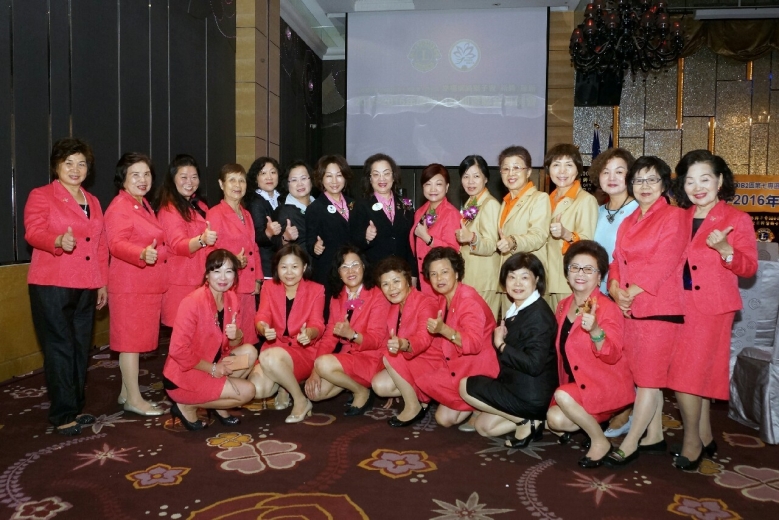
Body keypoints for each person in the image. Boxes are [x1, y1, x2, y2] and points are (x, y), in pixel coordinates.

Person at [667, 150, 757, 470]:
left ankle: (692, 441)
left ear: (720, 181)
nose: (697, 187)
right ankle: (705, 435)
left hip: (711, 308)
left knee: (685, 377)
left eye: (705, 179)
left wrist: (726, 250)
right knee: (695, 373)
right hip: (678, 304)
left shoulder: (737, 219)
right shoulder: (678, 217)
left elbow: (749, 268)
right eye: (690, 181)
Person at [605, 156, 687, 468]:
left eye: (652, 179)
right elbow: (616, 260)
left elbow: (664, 262)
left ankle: (630, 443)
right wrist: (615, 289)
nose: (645, 186)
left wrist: (630, 292)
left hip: (659, 308)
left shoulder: (674, 217)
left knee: (650, 380)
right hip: (630, 308)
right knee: (641, 377)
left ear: (665, 184)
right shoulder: (629, 220)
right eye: (638, 180)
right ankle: (654, 435)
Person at [25, 138, 108, 435]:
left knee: (80, 347)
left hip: (86, 284)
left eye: (81, 163)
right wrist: (57, 240)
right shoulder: (42, 195)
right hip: (52, 284)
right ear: (56, 166)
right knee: (59, 347)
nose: (75, 169)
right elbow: (33, 232)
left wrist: (102, 283)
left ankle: (75, 406)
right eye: (68, 163)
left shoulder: (93, 200)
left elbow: (100, 245)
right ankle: (63, 414)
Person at [546, 241, 634, 468]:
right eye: (575, 268)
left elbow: (613, 355)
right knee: (554, 420)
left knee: (562, 396)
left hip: (602, 385)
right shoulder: (563, 306)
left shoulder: (607, 308)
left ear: (599, 276)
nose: (580, 274)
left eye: (588, 269)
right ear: (567, 274)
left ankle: (600, 441)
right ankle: (595, 423)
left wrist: (595, 331)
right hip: (576, 385)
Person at [460, 253, 557, 447]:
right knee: (484, 427)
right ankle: (535, 422)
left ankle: (525, 421)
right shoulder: (519, 308)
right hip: (516, 384)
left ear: (537, 280)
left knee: (465, 386)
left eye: (524, 277)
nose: (517, 283)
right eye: (512, 277)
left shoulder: (538, 315)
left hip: (532, 393)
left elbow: (534, 364)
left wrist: (501, 345)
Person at [162, 249, 259, 430]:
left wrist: (237, 336)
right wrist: (212, 369)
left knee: (250, 353)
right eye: (217, 271)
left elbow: (231, 345)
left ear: (235, 276)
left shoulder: (231, 299)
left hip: (213, 364)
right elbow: (177, 350)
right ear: (207, 274)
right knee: (248, 392)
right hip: (186, 374)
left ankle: (217, 404)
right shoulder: (193, 302)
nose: (223, 277)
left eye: (228, 271)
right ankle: (186, 406)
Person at [104, 152, 167, 416]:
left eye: (147, 174)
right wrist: (141, 254)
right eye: (135, 175)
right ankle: (134, 399)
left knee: (135, 342)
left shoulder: (142, 204)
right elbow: (116, 243)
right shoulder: (120, 206)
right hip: (129, 285)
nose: (143, 180)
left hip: (144, 285)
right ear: (123, 179)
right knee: (129, 344)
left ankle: (125, 391)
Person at [418, 247, 499, 427]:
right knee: (444, 419)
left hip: (479, 367)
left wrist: (444, 330)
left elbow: (474, 344)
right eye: (433, 274)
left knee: (445, 415)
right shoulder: (443, 298)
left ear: (456, 273)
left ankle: (484, 402)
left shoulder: (468, 299)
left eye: (444, 272)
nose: (439, 278)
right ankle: (475, 404)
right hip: (458, 362)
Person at [306, 246, 390, 415]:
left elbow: (376, 340)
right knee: (315, 393)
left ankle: (361, 392)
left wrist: (352, 335)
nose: (350, 271)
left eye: (355, 265)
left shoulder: (377, 295)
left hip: (371, 357)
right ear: (338, 272)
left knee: (324, 364)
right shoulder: (337, 297)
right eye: (344, 267)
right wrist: (314, 371)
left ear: (363, 267)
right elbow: (329, 336)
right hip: (349, 357)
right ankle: (356, 386)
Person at [590, 148, 638, 438]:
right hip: (599, 293)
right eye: (606, 171)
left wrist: (622, 290)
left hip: (627, 294)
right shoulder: (597, 211)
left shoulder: (639, 210)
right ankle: (609, 404)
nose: (612, 177)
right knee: (604, 352)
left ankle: (626, 411)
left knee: (627, 355)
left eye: (619, 171)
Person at [250, 244, 325, 423]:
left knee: (269, 357)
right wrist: (263, 328)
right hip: (276, 347)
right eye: (284, 267)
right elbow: (262, 315)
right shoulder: (269, 286)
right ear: (277, 268)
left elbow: (318, 324)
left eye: (294, 266)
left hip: (302, 351)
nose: (289, 272)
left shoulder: (316, 290)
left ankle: (300, 400)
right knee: (258, 389)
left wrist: (310, 333)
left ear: (304, 267)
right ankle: (284, 385)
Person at [371, 256, 439, 427]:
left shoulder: (426, 303)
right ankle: (417, 395)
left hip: (430, 360)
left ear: (408, 280)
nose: (391, 288)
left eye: (396, 281)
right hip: (408, 360)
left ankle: (413, 406)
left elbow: (424, 339)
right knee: (379, 385)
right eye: (385, 284)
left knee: (390, 356)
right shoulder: (393, 308)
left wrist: (404, 344)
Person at [156, 154, 216, 327]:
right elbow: (178, 245)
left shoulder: (200, 205)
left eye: (194, 177)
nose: (189, 182)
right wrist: (202, 240)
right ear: (172, 179)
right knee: (182, 335)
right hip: (181, 284)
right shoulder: (169, 209)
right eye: (183, 177)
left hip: (202, 280)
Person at [206, 164, 262, 345]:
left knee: (247, 336)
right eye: (232, 180)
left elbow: (254, 247)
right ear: (221, 184)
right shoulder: (215, 213)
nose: (237, 185)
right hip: (228, 286)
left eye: (241, 180)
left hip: (247, 286)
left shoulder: (246, 214)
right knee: (229, 337)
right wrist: (232, 260)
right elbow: (209, 251)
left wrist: (257, 278)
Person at [495, 146, 551, 314]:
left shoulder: (540, 198)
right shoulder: (505, 202)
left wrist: (512, 241)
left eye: (516, 168)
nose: (511, 173)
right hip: (509, 278)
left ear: (528, 172)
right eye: (506, 169)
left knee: (530, 326)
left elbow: (538, 236)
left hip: (528, 278)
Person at [544, 144, 598, 310]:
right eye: (556, 165)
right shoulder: (545, 200)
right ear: (548, 169)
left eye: (568, 165)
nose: (562, 171)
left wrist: (566, 234)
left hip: (567, 281)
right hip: (545, 278)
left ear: (577, 169)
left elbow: (588, 243)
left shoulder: (586, 200)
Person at [350, 153, 416, 282]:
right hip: (375, 275)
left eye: (386, 173)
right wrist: (366, 238)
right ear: (370, 179)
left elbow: (410, 244)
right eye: (376, 174)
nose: (382, 179)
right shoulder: (361, 206)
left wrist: (413, 275)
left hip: (402, 274)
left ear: (393, 176)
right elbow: (353, 242)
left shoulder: (405, 205)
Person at [305, 155, 354, 311]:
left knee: (354, 312)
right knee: (330, 313)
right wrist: (315, 247)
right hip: (328, 271)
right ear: (321, 178)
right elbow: (310, 239)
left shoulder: (354, 204)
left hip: (353, 271)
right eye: (329, 176)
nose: (334, 181)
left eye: (339, 175)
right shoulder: (315, 208)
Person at [454, 155, 501, 317]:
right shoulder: (471, 203)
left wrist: (472, 238)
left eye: (476, 176)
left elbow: (491, 244)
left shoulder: (490, 204)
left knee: (483, 326)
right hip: (472, 277)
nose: (470, 182)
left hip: (484, 280)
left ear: (486, 178)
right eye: (466, 176)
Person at [411, 164, 461, 294]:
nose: (433, 189)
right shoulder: (419, 212)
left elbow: (453, 250)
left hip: (440, 279)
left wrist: (428, 239)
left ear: (447, 187)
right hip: (422, 277)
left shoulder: (451, 213)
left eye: (438, 184)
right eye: (428, 184)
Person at [245, 156, 283, 281]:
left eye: (273, 172)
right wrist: (268, 233)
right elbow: (256, 237)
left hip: (282, 263)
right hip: (266, 266)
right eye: (263, 173)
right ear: (255, 178)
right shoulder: (256, 202)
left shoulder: (281, 198)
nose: (269, 177)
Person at [275, 161, 315, 249]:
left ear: (311, 180)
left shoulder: (320, 205)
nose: (300, 184)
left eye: (303, 178)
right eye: (294, 180)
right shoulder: (284, 212)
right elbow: (276, 246)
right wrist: (285, 238)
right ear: (287, 184)